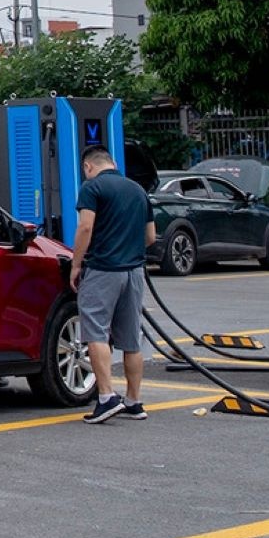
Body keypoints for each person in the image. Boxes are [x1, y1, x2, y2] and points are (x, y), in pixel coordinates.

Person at [69, 146, 156, 423]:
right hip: (134, 271)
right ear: (113, 163)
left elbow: (85, 228)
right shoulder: (138, 190)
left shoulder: (92, 188)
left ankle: (106, 398)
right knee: (131, 340)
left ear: (88, 167)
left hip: (103, 269)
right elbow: (151, 236)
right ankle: (134, 401)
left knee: (95, 332)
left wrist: (76, 264)